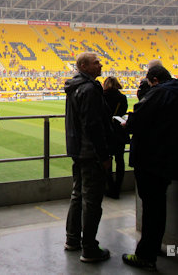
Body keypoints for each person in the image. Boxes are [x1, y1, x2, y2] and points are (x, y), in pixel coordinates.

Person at [122, 65, 178, 271]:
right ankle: (153, 246)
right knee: (158, 206)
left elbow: (135, 122)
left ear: (153, 80)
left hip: (151, 159)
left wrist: (125, 124)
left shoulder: (159, 93)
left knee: (152, 207)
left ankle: (146, 255)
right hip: (169, 159)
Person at [64, 52, 113, 263]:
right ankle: (89, 248)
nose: (100, 65)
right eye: (96, 63)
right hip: (90, 152)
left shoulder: (74, 87)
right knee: (92, 200)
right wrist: (103, 155)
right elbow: (93, 125)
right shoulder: (90, 89)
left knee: (77, 195)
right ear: (84, 66)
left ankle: (72, 239)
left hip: (77, 149)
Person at [102, 76, 129, 199]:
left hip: (106, 132)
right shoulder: (122, 97)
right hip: (119, 131)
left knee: (106, 160)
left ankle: (110, 187)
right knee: (120, 160)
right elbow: (123, 113)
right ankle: (117, 188)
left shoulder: (102, 96)